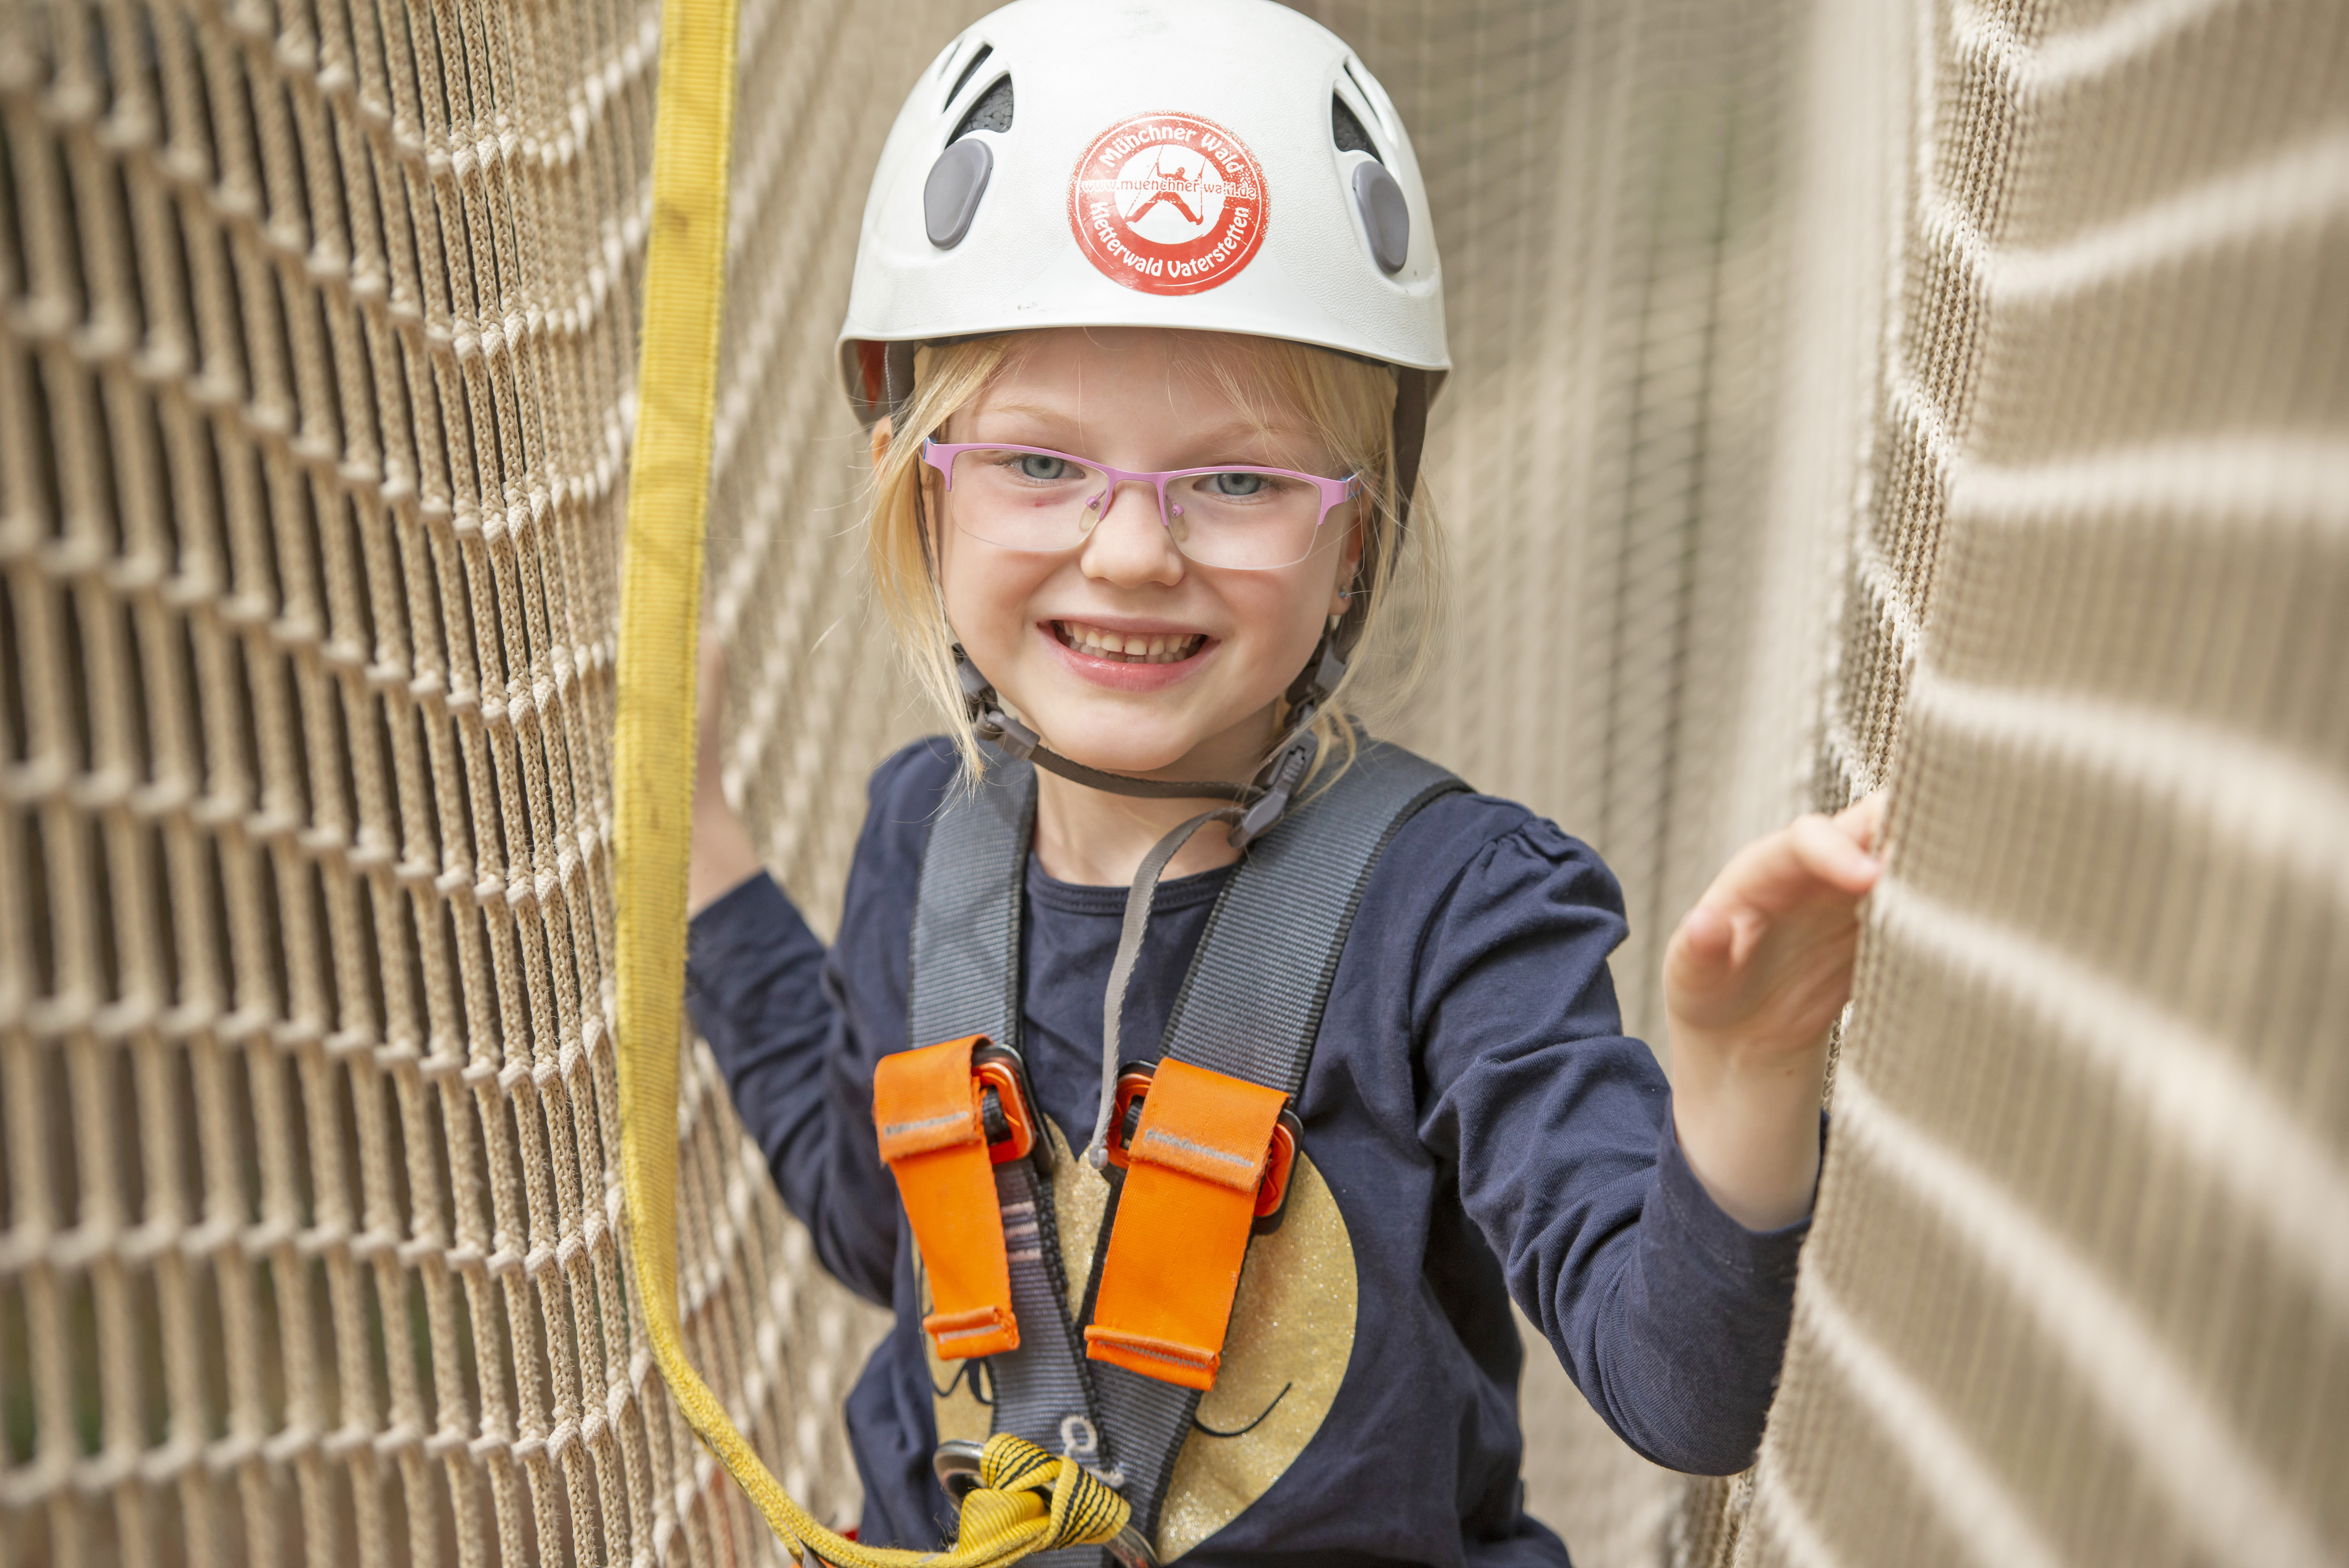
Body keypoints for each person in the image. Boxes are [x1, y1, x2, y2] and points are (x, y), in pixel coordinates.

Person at [685, 3, 1883, 1563]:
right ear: (920, 486)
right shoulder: (925, 834)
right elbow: (882, 1221)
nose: (1131, 551)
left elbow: (1681, 1394)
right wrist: (705, 852)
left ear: (1357, 536)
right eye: (1041, 464)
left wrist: (1739, 1083)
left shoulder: (1457, 915)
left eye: (1237, 480)